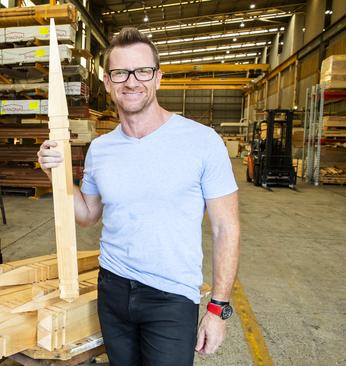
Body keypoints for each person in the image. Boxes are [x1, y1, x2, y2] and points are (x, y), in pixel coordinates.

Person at [37, 27, 240, 365]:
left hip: (172, 298)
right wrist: (54, 174)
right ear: (107, 81)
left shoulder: (202, 142)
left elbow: (226, 229)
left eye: (142, 71)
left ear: (158, 78)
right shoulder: (100, 149)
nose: (131, 82)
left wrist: (217, 308)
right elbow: (87, 214)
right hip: (113, 290)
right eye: (120, 73)